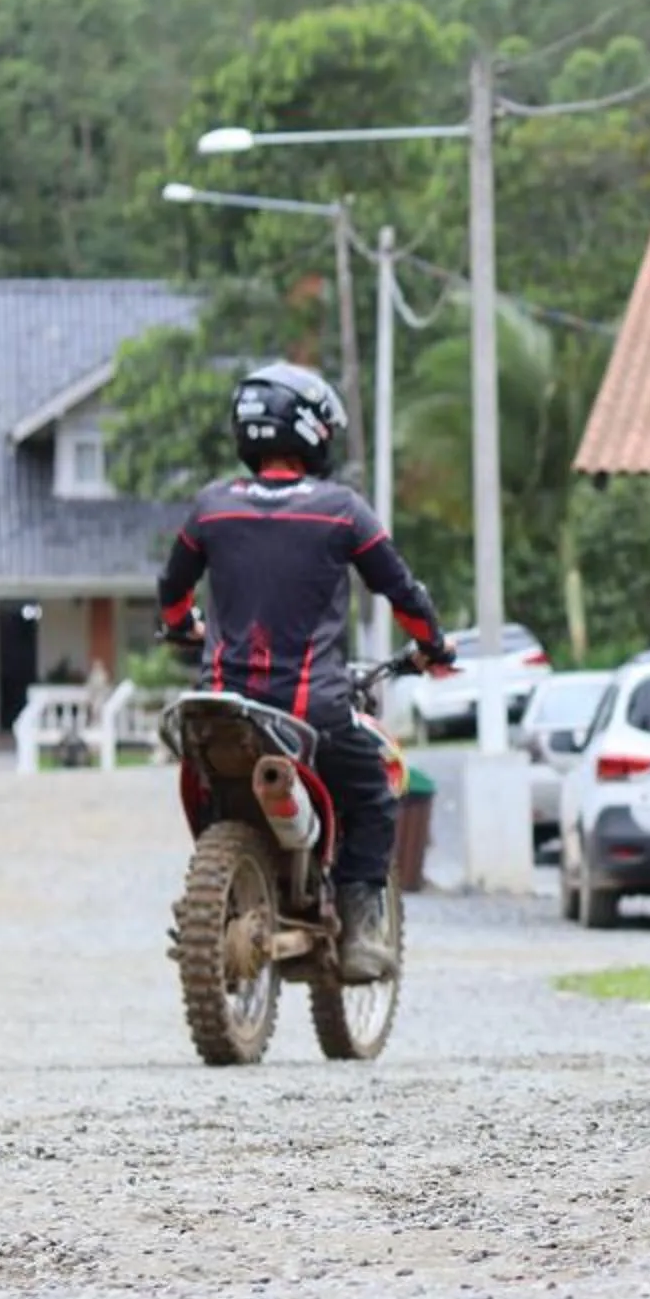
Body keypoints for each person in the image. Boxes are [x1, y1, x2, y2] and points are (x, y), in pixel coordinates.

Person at [157, 363, 454, 982]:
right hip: (309, 712)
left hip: (220, 708)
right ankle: (360, 932)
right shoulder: (340, 511)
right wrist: (432, 645)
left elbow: (171, 591)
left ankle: (217, 903)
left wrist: (184, 626)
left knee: (214, 787)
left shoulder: (212, 508)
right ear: (313, 430)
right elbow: (401, 591)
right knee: (373, 792)